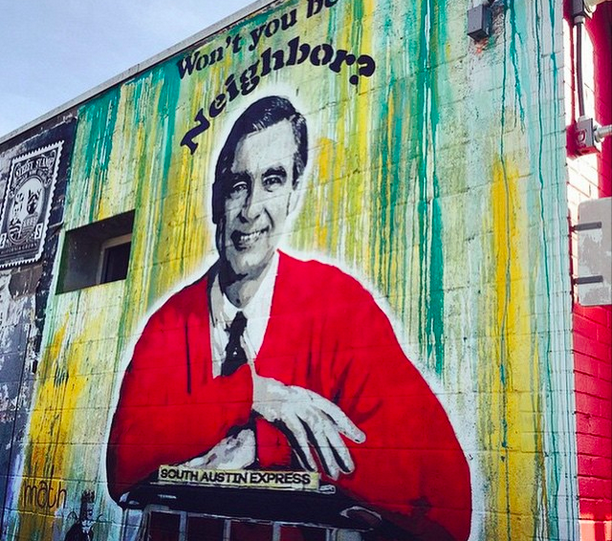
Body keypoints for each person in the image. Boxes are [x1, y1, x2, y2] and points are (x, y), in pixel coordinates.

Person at [106, 96, 472, 541]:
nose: (250, 209)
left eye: (272, 181)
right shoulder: (169, 324)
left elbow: (442, 490)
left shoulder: (339, 306)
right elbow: (123, 465)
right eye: (238, 185)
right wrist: (251, 394)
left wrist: (265, 443)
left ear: (294, 194)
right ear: (218, 199)